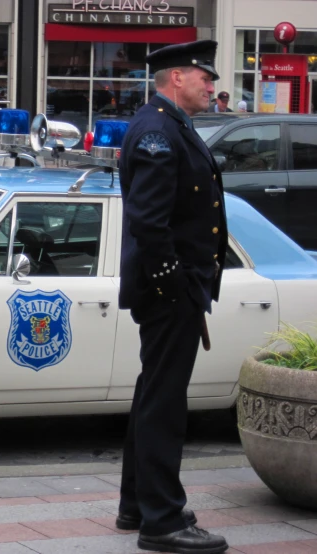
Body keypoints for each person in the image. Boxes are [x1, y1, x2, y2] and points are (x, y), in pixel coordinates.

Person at [117, 40, 229, 554]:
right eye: (203, 77)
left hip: (173, 285)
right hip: (169, 287)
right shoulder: (159, 130)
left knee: (153, 391)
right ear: (176, 78)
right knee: (164, 403)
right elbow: (148, 219)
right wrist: (174, 283)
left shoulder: (170, 125)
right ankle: (162, 522)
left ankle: (138, 503)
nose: (212, 85)